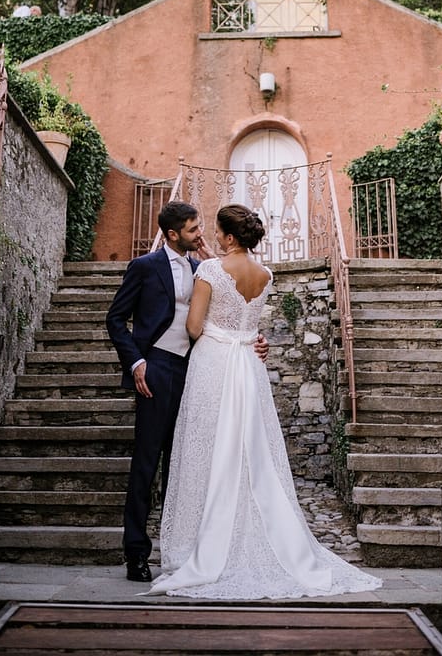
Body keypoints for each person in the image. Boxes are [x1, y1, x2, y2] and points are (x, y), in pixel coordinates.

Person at [148, 203, 382, 599]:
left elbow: (193, 326)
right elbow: (246, 319)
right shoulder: (266, 275)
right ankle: (255, 532)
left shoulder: (208, 271)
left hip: (213, 364)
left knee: (206, 448)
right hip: (248, 365)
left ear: (230, 236)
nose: (213, 236)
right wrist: (246, 334)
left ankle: (200, 543)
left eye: (219, 231)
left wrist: (208, 284)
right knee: (248, 451)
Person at [106, 200, 267, 582]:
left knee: (190, 464)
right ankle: (137, 554)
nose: (200, 235)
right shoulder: (144, 268)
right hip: (156, 368)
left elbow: (227, 314)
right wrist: (136, 361)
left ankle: (185, 549)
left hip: (199, 371)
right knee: (146, 464)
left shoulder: (205, 268)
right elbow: (115, 319)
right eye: (193, 230)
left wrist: (254, 339)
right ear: (173, 234)